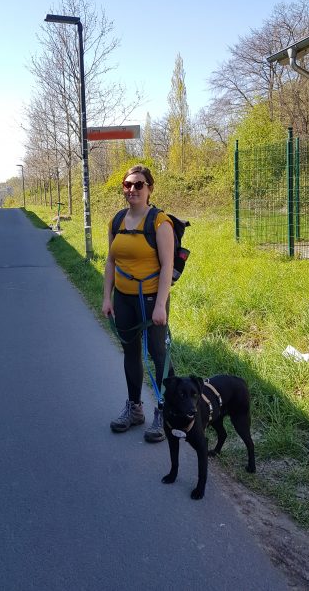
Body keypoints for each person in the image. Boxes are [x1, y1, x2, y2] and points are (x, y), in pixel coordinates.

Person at [102, 165, 175, 442]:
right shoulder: (116, 221)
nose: (132, 189)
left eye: (139, 185)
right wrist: (107, 297)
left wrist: (160, 305)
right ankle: (134, 409)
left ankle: (165, 412)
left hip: (151, 299)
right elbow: (110, 261)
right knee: (130, 352)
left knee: (158, 353)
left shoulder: (159, 222)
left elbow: (167, 265)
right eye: (128, 184)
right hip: (123, 298)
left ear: (149, 189)